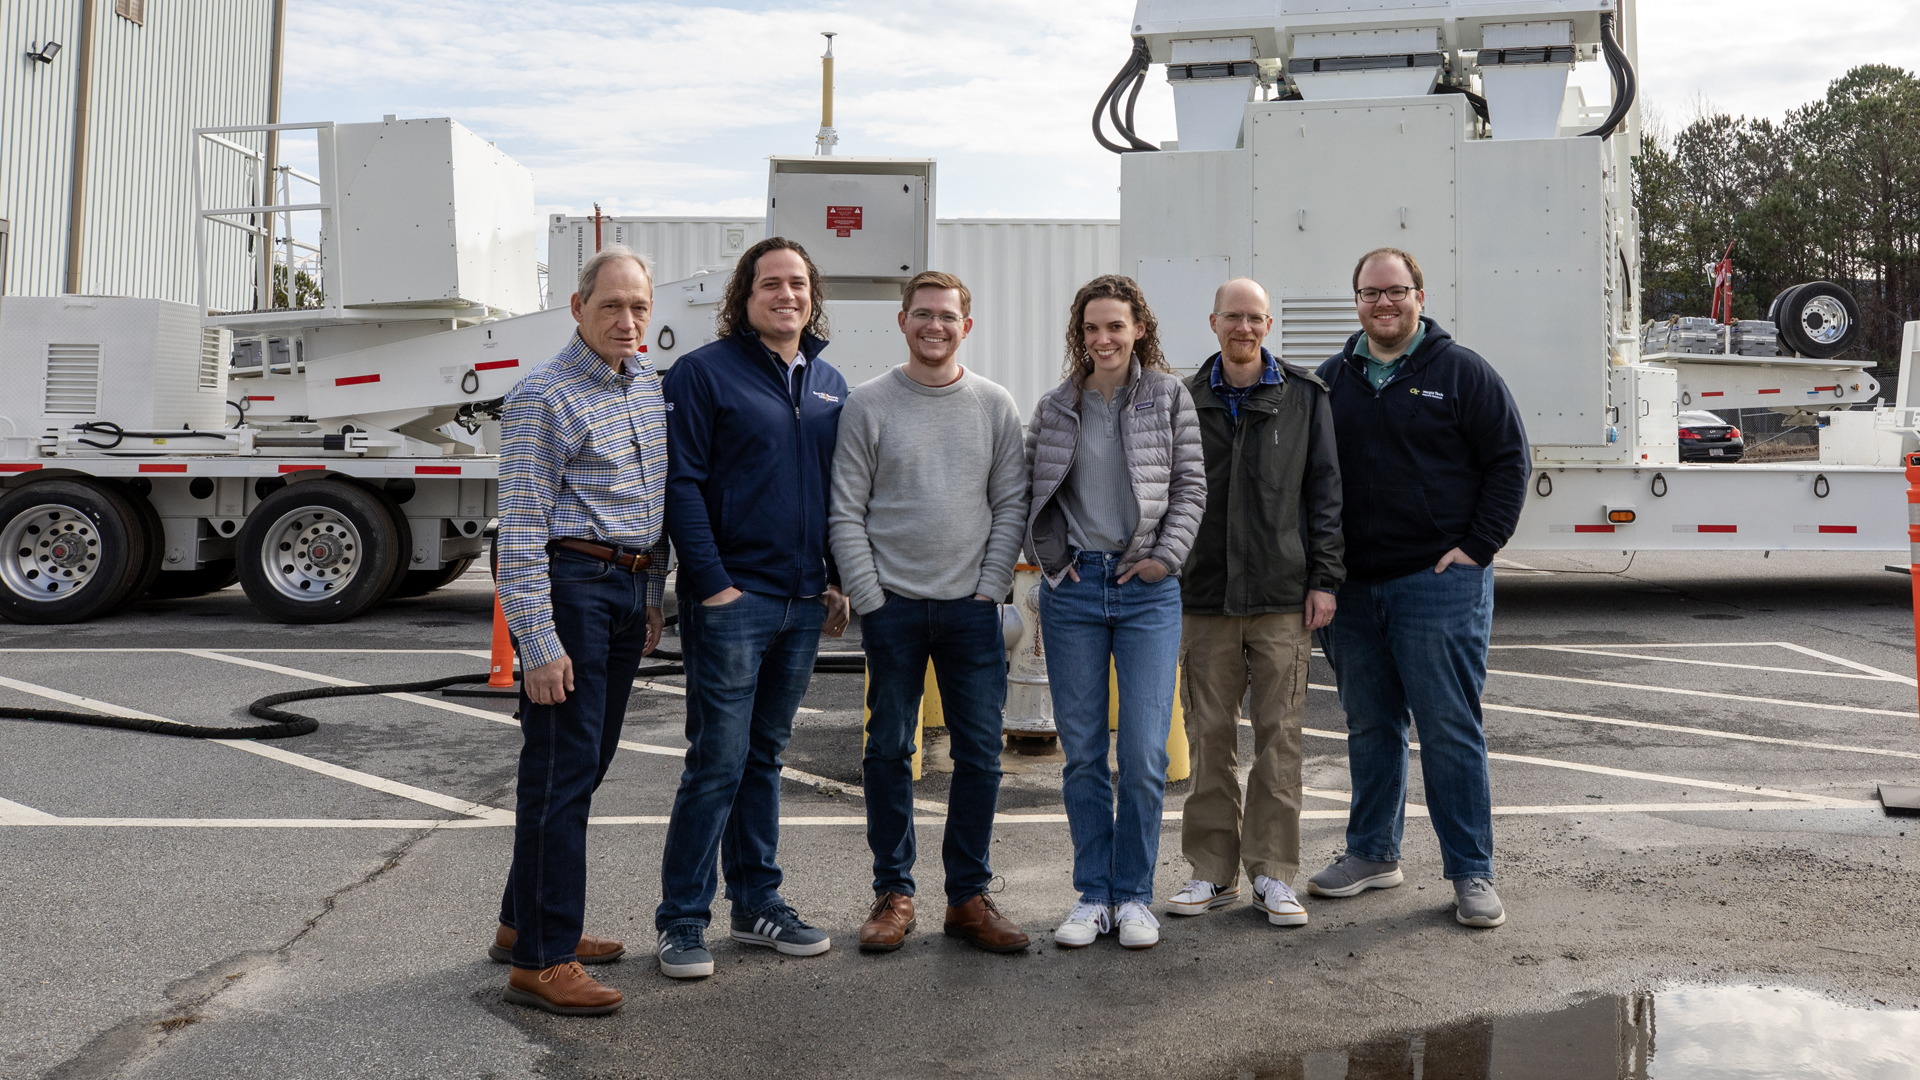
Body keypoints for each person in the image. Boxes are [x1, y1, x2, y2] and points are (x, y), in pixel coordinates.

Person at [1308, 247, 1529, 928]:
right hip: (1354, 591)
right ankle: (1374, 853)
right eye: (1371, 294)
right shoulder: (1329, 381)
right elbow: (1313, 481)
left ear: (1420, 297)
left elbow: (1509, 461)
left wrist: (1476, 549)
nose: (1384, 303)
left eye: (1396, 291)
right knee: (1370, 724)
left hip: (1437, 583)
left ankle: (1471, 873)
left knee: (1448, 728)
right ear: (1357, 303)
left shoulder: (1461, 373)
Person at [654, 237, 852, 978]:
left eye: (797, 284)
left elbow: (836, 491)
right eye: (771, 284)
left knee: (764, 759)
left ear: (812, 295)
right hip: (734, 600)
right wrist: (711, 584)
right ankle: (681, 919)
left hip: (803, 603)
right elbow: (682, 483)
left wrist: (831, 577)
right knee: (717, 761)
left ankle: (756, 904)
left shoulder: (829, 381)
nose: (787, 295)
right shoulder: (704, 374)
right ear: (744, 297)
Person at [828, 270, 1031, 954]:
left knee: (980, 754)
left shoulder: (994, 405)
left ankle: (967, 897)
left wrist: (991, 584)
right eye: (922, 314)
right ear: (902, 321)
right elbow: (846, 511)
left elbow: (1010, 505)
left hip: (972, 609)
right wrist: (871, 595)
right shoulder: (869, 405)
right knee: (888, 750)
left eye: (947, 316)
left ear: (966, 327)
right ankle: (894, 892)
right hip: (893, 609)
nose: (934, 326)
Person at [492, 245, 670, 1016]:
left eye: (638, 307)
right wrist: (537, 642)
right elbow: (522, 528)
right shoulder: (543, 396)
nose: (626, 320)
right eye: (610, 306)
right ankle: (542, 959)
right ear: (577, 308)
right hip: (573, 590)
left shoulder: (648, 388)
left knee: (581, 766)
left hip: (628, 590)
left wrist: (653, 594)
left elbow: (651, 504)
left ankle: (520, 922)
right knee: (560, 773)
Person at [1023, 274, 1206, 950]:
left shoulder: (1168, 397)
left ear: (1138, 329)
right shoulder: (1055, 406)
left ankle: (1134, 895)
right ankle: (1092, 895)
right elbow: (1030, 491)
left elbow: (1191, 486)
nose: (1103, 339)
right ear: (1080, 335)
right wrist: (1050, 562)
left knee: (1143, 751)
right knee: (1081, 757)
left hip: (1146, 591)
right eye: (1092, 329)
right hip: (1075, 590)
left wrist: (1165, 558)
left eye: (1115, 327)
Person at [1165, 278, 1344, 930]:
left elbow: (1325, 494)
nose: (1243, 328)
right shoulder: (1183, 399)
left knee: (1280, 739)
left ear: (1269, 324)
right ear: (1213, 321)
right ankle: (1211, 872)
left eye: (1254, 318)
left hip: (1279, 598)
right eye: (1232, 317)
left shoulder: (1304, 398)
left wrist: (1325, 578)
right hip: (1205, 594)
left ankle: (1273, 872)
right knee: (1210, 739)